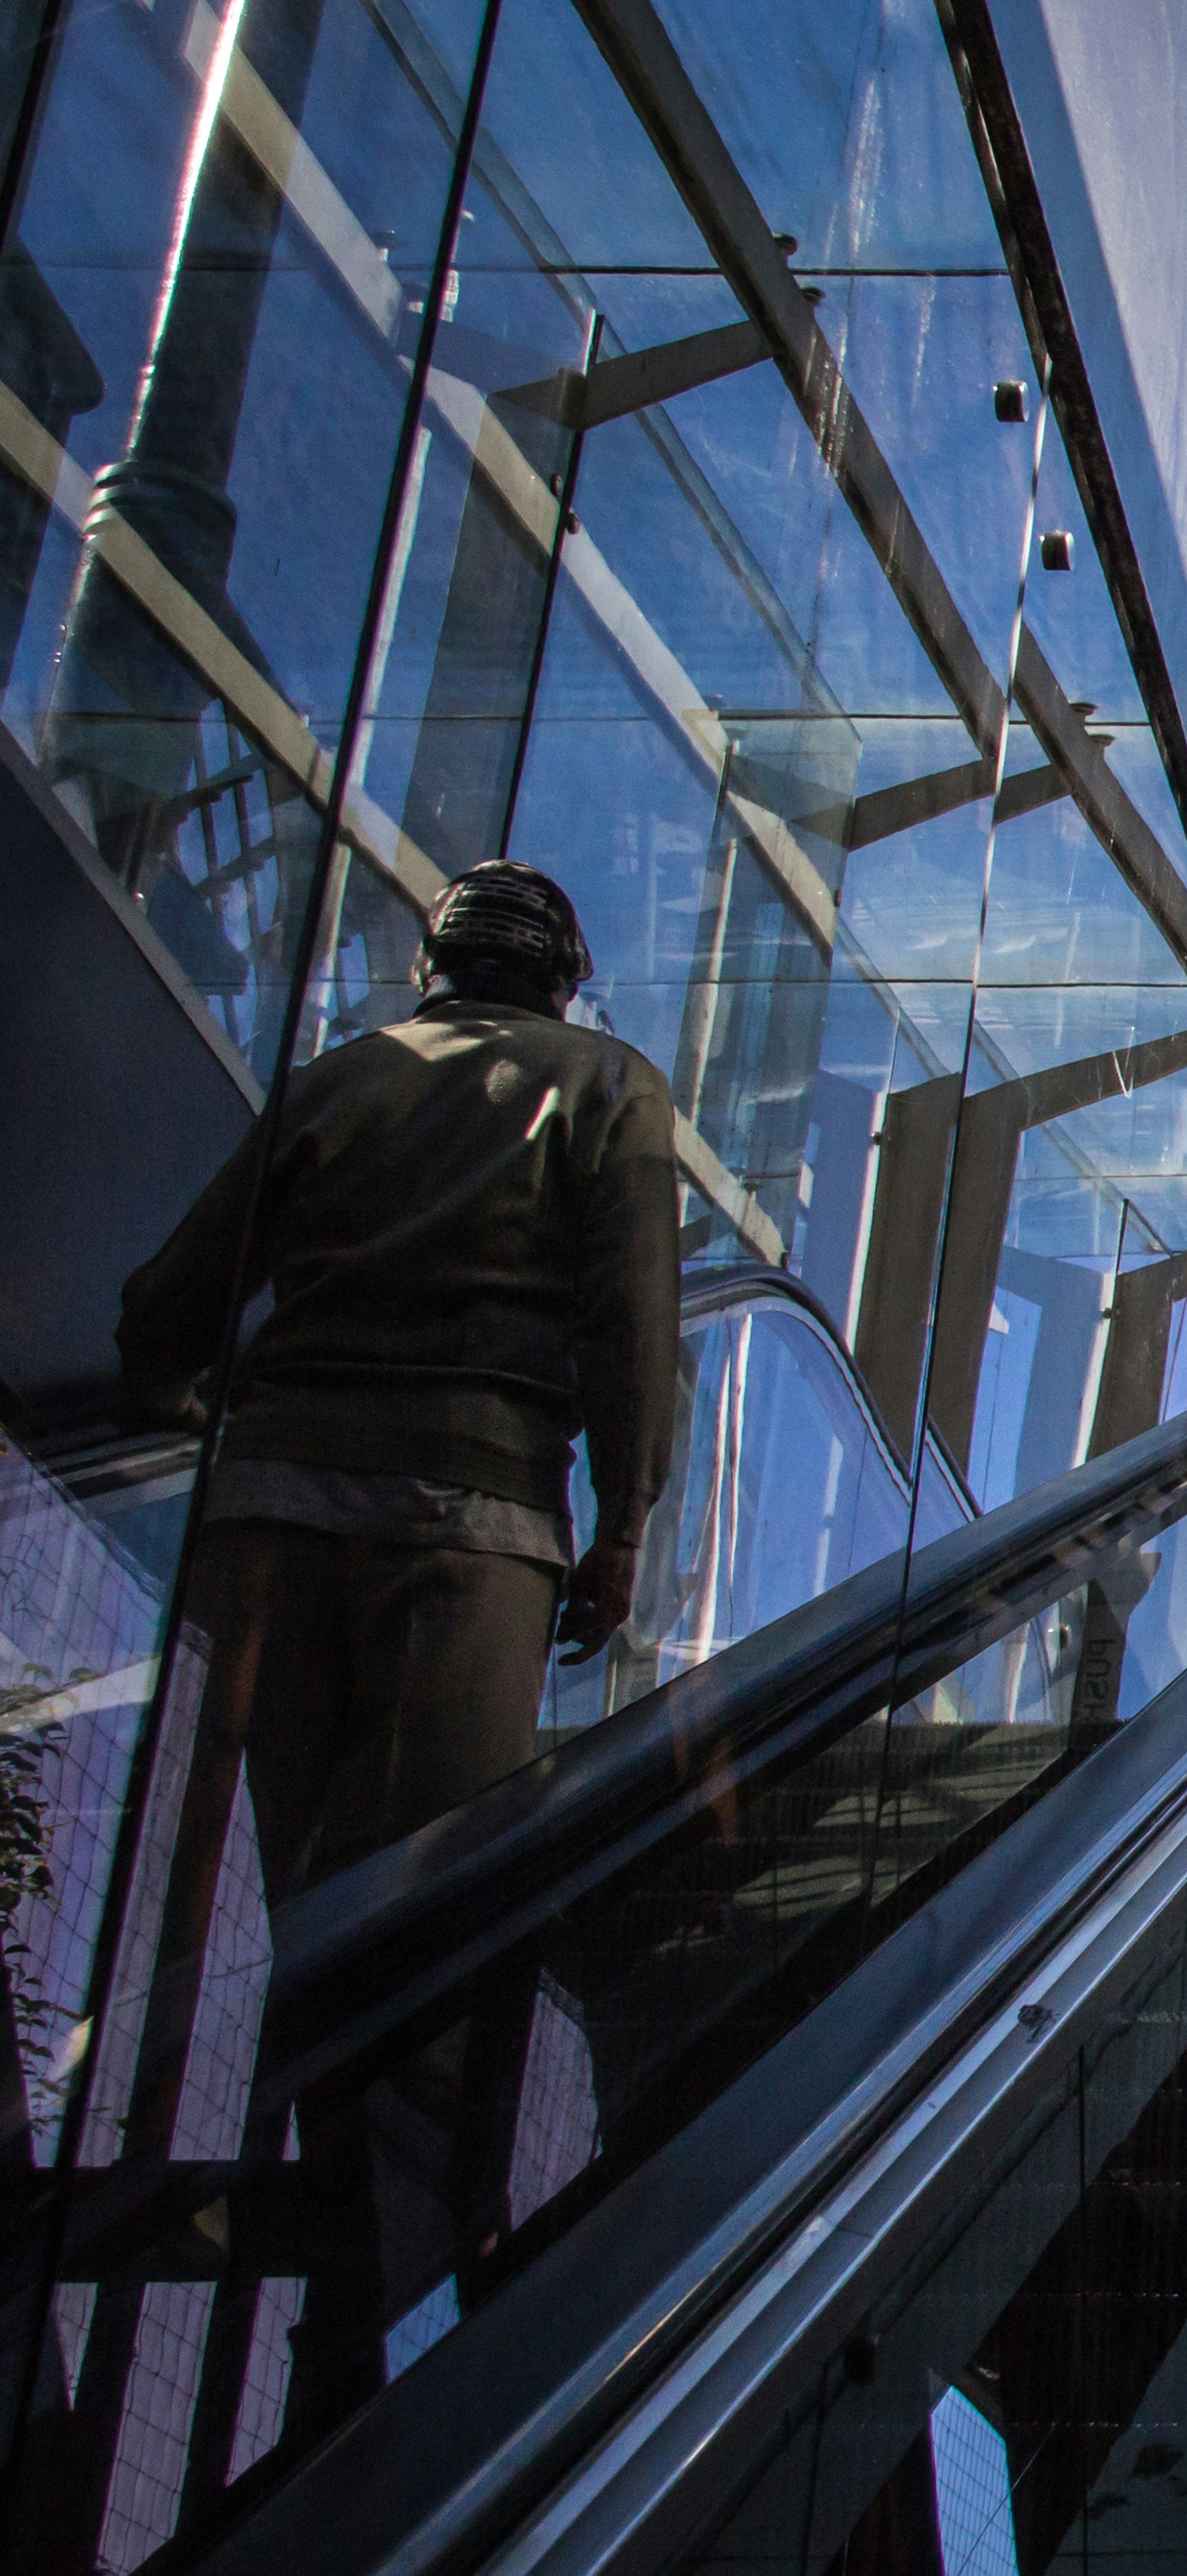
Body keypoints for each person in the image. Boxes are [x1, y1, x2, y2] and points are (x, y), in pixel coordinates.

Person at [115, 857, 678, 2417]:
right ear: (563, 979)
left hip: (266, 1530)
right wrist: (623, 1521)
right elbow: (633, 1315)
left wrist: (174, 1393)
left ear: (437, 969)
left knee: (299, 1893)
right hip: (470, 1530)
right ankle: (360, 2326)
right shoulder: (607, 1091)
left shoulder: (336, 1082)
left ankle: (314, 2228)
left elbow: (174, 1295)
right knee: (415, 1914)